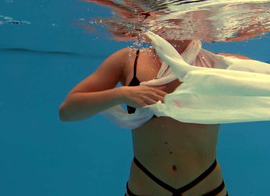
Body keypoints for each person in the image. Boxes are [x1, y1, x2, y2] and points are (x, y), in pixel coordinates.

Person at [58, 36, 248, 196]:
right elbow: (67, 111)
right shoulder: (129, 59)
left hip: (206, 186)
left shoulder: (219, 64)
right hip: (146, 186)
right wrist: (122, 94)